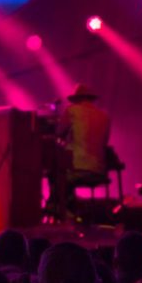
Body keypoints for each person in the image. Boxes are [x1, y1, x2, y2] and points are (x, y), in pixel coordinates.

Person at [53, 84, 111, 214]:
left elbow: (58, 132)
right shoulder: (104, 116)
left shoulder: (72, 111)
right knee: (64, 174)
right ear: (90, 99)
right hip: (100, 170)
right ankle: (72, 210)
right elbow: (104, 143)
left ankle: (64, 212)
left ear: (76, 99)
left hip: (79, 168)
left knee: (56, 174)